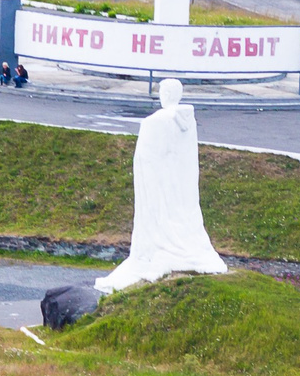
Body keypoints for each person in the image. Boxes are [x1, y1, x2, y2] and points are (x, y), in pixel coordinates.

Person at [96, 79, 229, 293]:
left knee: (157, 220)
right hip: (180, 187)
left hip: (158, 185)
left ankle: (155, 255)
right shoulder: (188, 120)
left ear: (165, 95)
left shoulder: (154, 122)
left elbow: (145, 158)